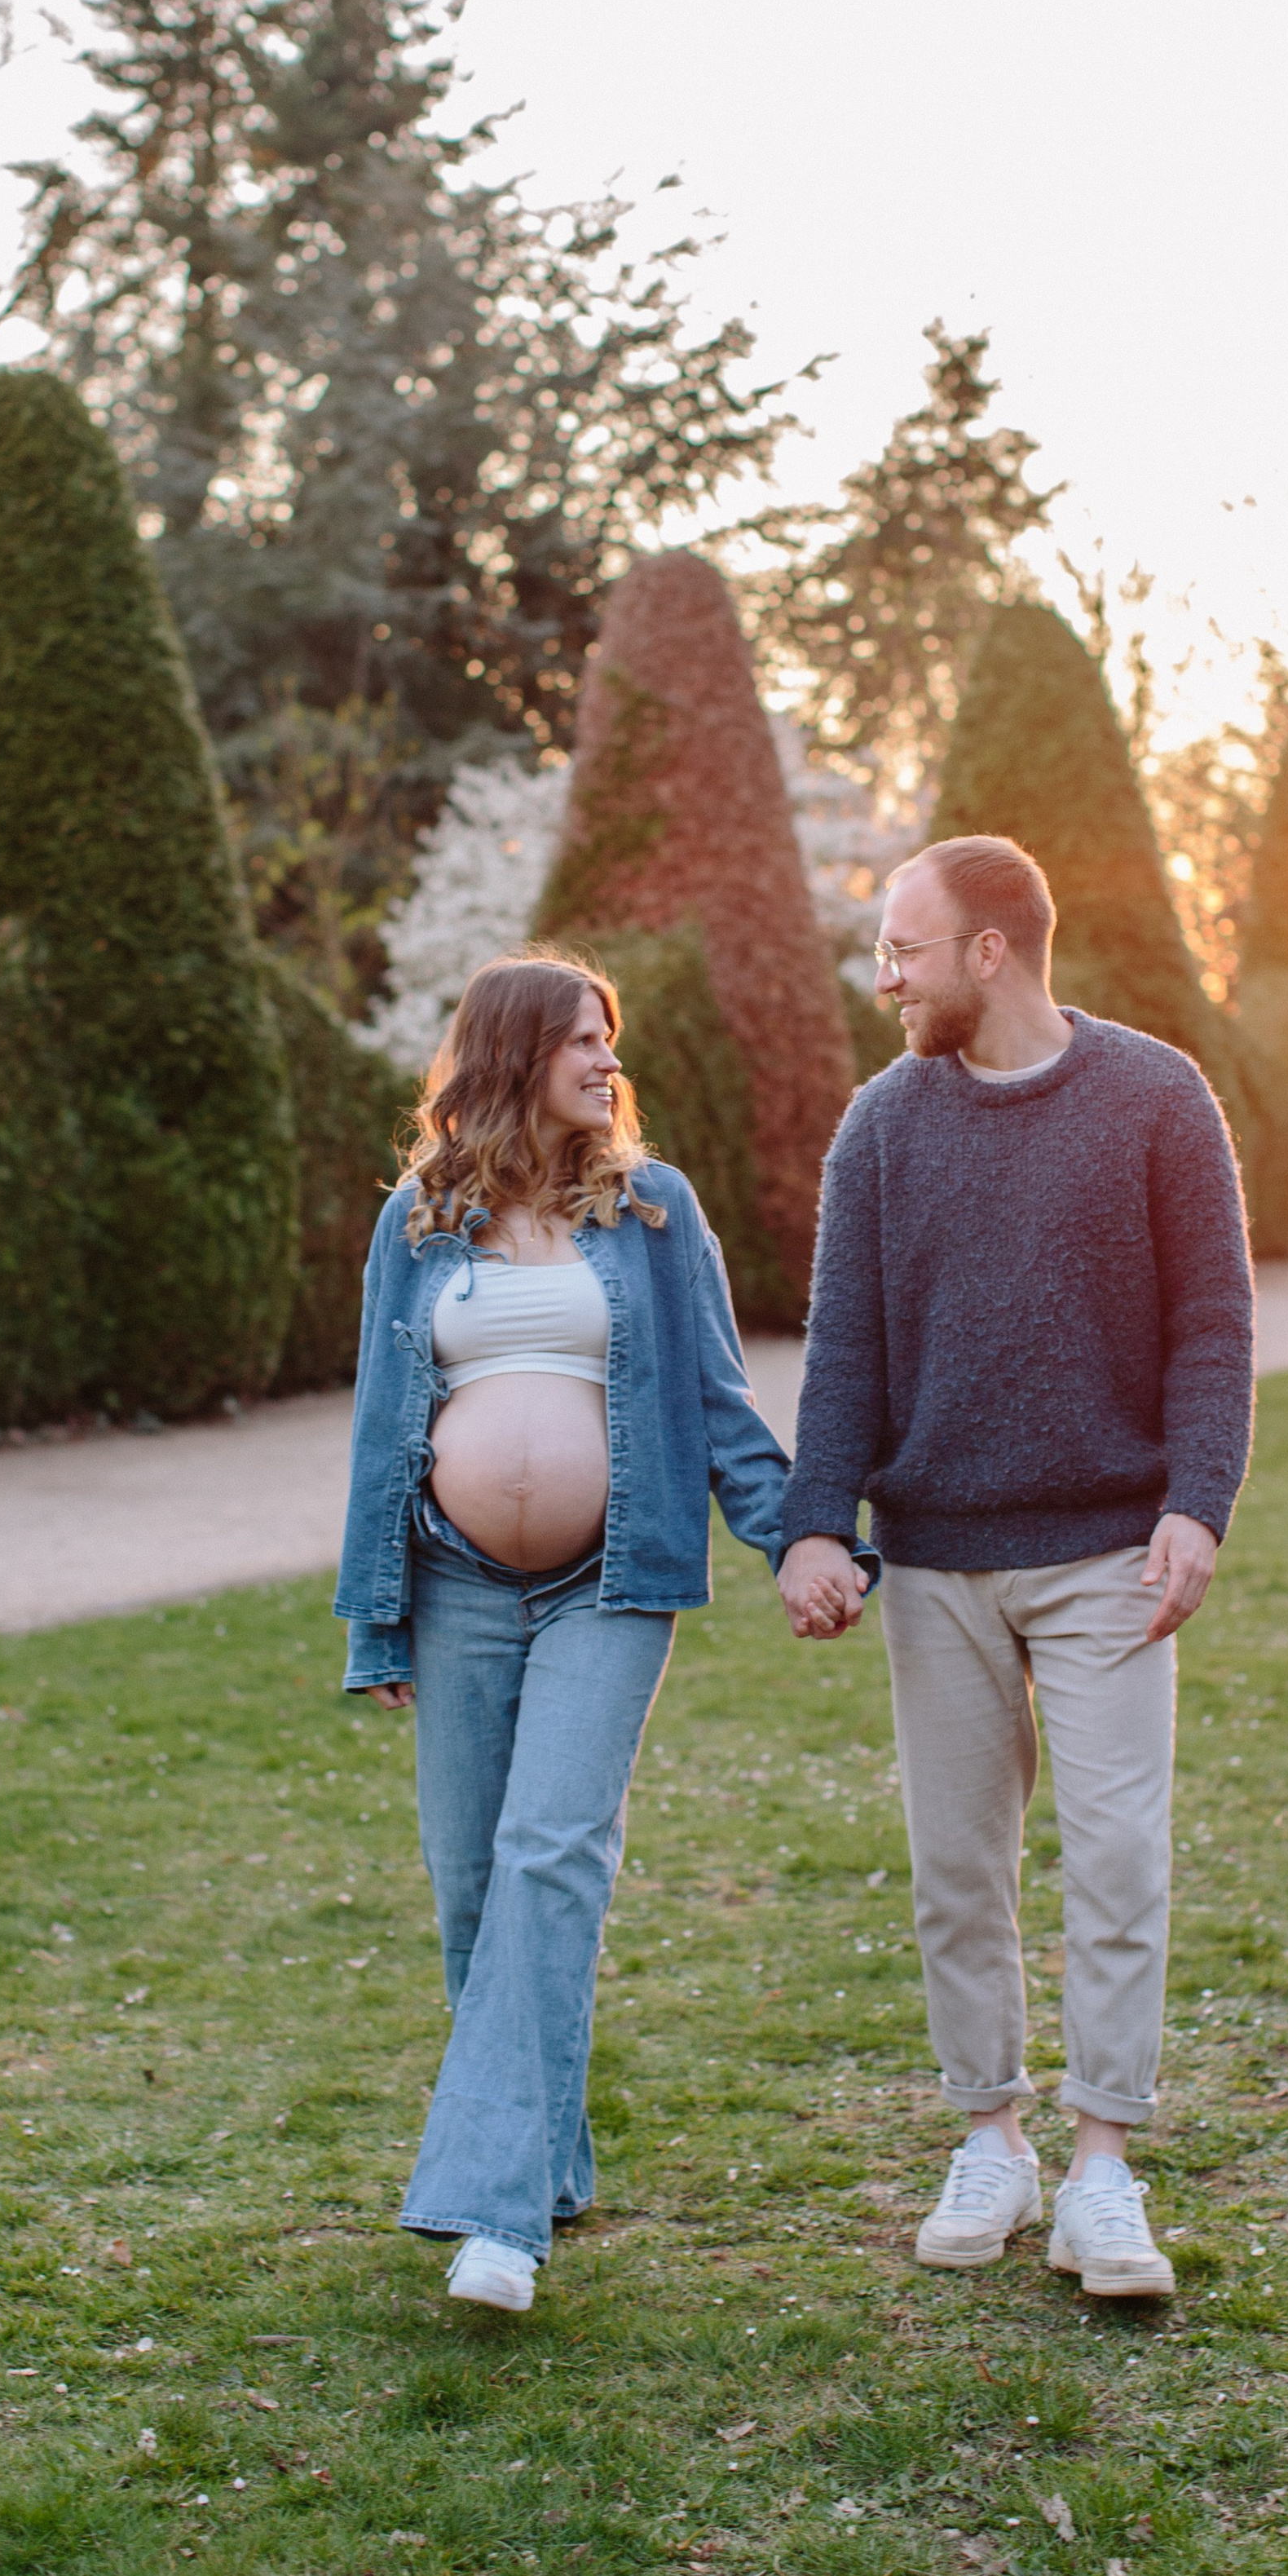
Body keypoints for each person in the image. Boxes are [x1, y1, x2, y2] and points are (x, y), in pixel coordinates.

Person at [337, 948, 862, 2313]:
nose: (605, 1061)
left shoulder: (652, 1211)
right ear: (513, 1054)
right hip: (454, 1584)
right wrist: (374, 1618)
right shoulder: (421, 1218)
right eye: (580, 1039)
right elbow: (379, 1430)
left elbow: (719, 1397)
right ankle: (547, 2160)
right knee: (473, 1886)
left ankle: (497, 2222)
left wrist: (799, 1533)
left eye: (611, 1039)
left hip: (609, 1580)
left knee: (549, 1853)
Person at [776, 835, 1253, 2300]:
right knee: (958, 1873)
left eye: (904, 950)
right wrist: (813, 1521)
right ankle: (992, 2134)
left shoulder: (1158, 1098)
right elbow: (844, 1343)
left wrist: (1200, 1502)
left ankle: (1104, 2168)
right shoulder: (881, 1125)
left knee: (1117, 1860)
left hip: (1115, 1555)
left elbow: (1213, 1329)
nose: (885, 976)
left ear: (991, 951)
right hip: (938, 1565)